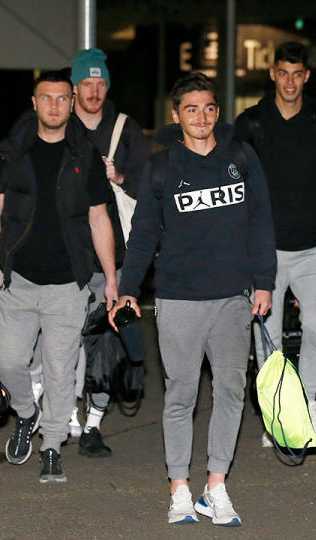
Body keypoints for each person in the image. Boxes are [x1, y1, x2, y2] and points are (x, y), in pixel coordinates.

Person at [109, 72, 275, 526]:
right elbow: (143, 235)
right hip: (179, 298)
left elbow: (261, 222)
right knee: (181, 394)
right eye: (190, 109)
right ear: (177, 115)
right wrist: (128, 289)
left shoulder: (241, 156)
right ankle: (179, 487)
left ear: (216, 112)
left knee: (230, 391)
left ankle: (216, 487)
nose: (200, 117)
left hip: (232, 298)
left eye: (207, 108)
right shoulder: (162, 167)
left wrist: (265, 282)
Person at [0, 70, 118, 484]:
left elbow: (99, 217)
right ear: (34, 102)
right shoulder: (11, 153)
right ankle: (26, 413)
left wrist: (111, 279)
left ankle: (53, 446)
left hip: (68, 283)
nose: (55, 105)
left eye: (63, 98)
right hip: (17, 279)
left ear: (72, 102)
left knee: (61, 369)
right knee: (5, 360)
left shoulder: (85, 155)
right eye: (47, 98)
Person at [235, 41, 316, 446]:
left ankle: (306, 404)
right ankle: (276, 414)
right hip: (265, 252)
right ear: (272, 74)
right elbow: (233, 185)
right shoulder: (250, 122)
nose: (290, 81)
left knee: (315, 327)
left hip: (312, 249)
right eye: (283, 72)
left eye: (298, 73)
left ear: (306, 76)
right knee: (267, 337)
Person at [67, 48, 151, 456]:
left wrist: (119, 174)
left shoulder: (125, 128)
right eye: (88, 84)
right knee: (63, 339)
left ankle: (93, 424)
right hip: (65, 256)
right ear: (74, 87)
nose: (95, 91)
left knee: (106, 342)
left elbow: (150, 185)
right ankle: (65, 414)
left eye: (101, 84)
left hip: (112, 256)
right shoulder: (55, 125)